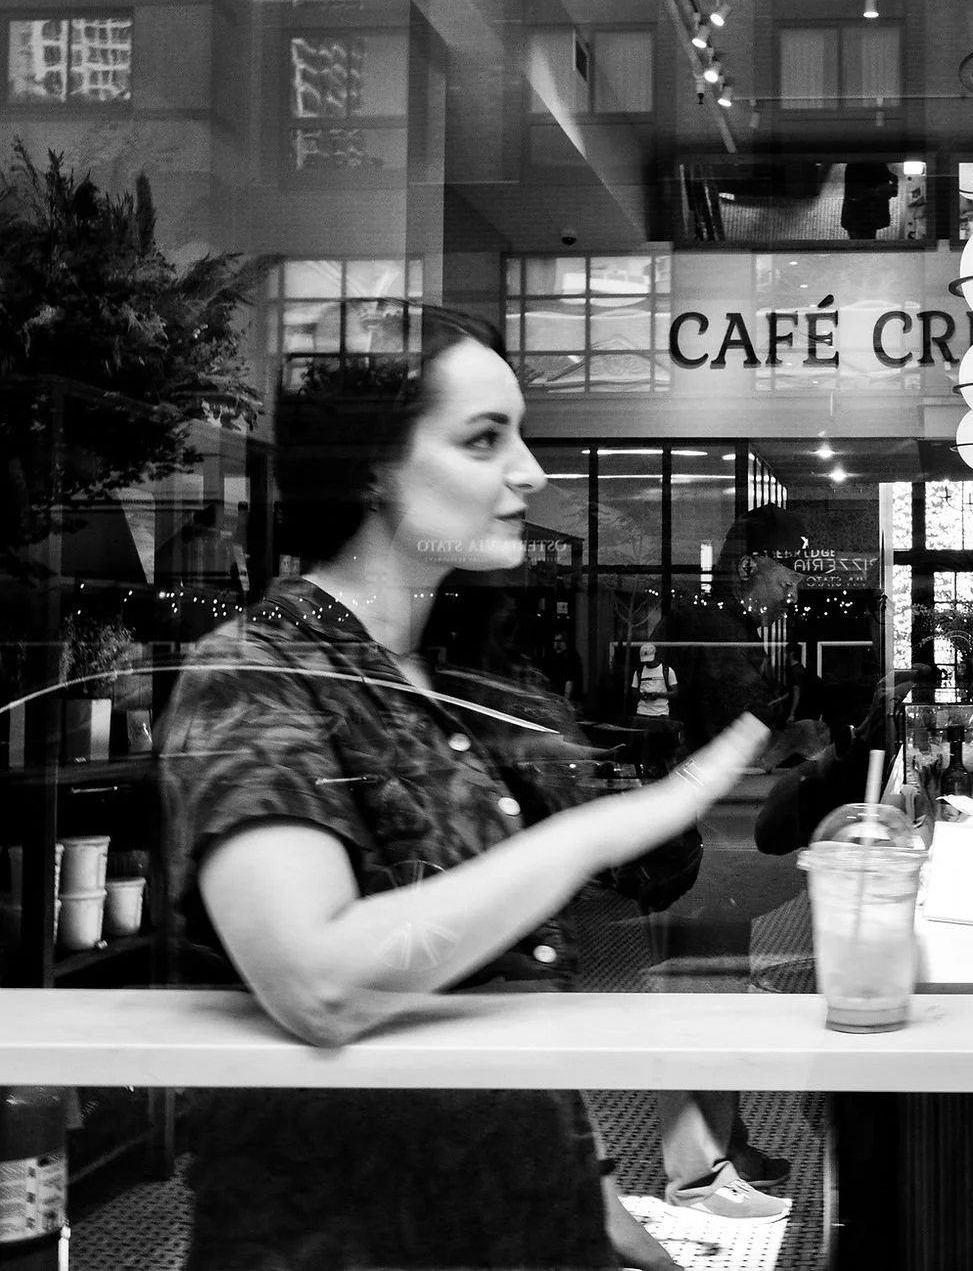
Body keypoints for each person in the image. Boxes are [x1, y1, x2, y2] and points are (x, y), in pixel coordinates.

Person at [158, 305, 767, 1271]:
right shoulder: (253, 673)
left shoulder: (473, 682)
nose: (530, 472)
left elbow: (505, 994)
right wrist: (588, 834)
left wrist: (607, 1216)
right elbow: (318, 981)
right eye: (485, 439)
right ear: (375, 468)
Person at [639, 503, 829, 1222]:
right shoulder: (716, 630)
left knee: (716, 989)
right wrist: (798, 730)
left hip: (707, 833)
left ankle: (728, 1144)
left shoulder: (721, 625)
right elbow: (746, 733)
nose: (793, 589)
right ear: (754, 565)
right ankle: (696, 1176)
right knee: (699, 997)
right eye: (788, 572)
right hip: (696, 838)